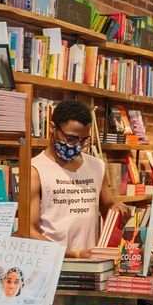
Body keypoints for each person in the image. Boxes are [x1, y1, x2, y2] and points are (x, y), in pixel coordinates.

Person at [31, 99, 114, 254]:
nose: (77, 145)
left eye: (84, 140)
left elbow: (108, 210)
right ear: (52, 129)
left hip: (91, 265)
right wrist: (71, 254)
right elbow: (29, 230)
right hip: (53, 265)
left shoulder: (97, 166)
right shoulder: (35, 170)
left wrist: (118, 212)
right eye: (71, 139)